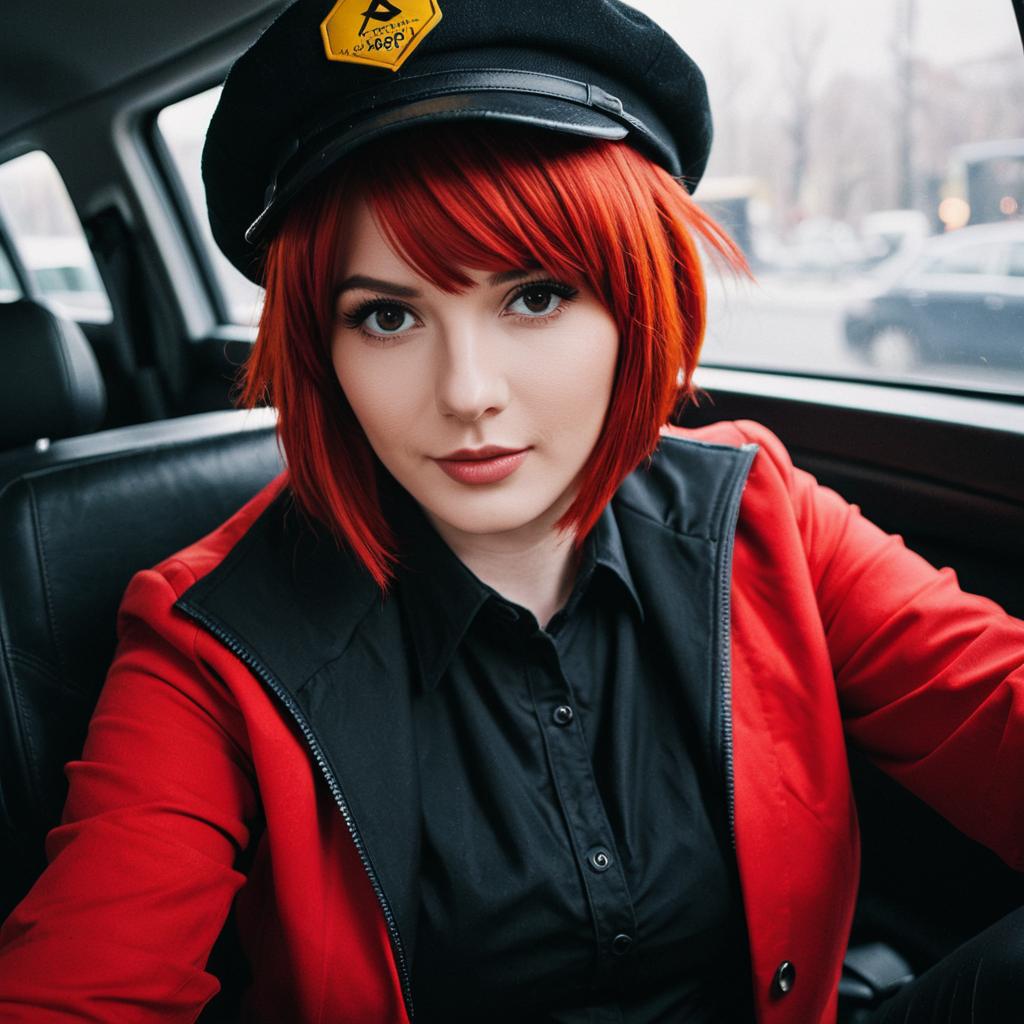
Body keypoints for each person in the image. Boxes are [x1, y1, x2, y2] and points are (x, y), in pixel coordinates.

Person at [0, 0, 1022, 1021]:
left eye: (533, 295)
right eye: (388, 315)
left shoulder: (759, 515)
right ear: (324, 351)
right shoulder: (212, 643)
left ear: (635, 303)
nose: (467, 391)